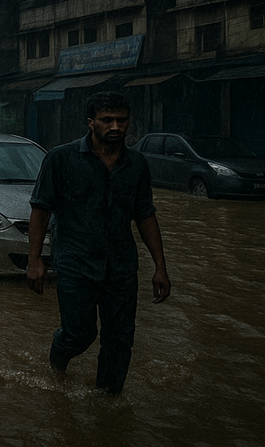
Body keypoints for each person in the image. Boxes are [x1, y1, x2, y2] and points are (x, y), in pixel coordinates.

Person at [26, 91, 171, 395]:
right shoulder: (61, 159)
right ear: (91, 122)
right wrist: (34, 259)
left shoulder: (137, 165)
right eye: (107, 120)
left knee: (120, 340)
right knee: (80, 334)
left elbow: (145, 216)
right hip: (75, 262)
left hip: (121, 266)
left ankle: (107, 402)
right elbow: (41, 210)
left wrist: (160, 267)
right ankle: (57, 363)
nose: (116, 126)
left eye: (122, 119)